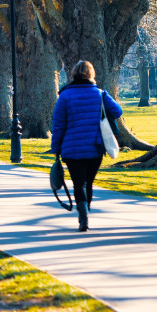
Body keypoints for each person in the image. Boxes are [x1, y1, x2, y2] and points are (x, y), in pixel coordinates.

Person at [50, 60, 123, 232]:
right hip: (94, 147)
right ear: (91, 75)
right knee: (88, 182)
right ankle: (85, 210)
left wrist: (56, 148)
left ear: (73, 74)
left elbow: (58, 125)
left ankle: (83, 217)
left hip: (71, 148)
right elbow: (117, 111)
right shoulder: (100, 94)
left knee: (78, 183)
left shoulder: (65, 96)